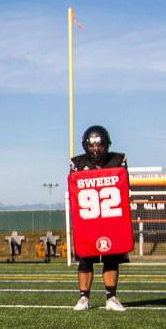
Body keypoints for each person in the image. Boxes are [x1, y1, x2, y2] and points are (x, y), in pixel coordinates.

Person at [70, 125, 128, 311]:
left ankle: (111, 297)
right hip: (88, 218)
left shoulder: (118, 160)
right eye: (92, 145)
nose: (96, 149)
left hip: (111, 217)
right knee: (85, 259)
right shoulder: (77, 163)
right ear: (86, 146)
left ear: (107, 145)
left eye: (99, 145)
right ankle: (84, 298)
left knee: (111, 257)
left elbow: (125, 186)